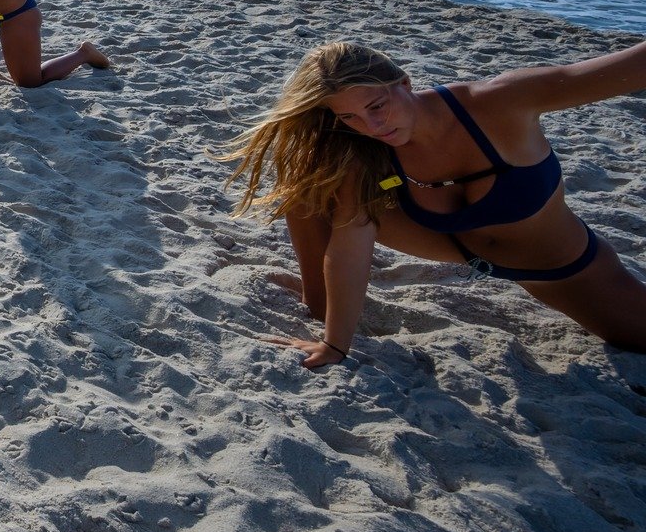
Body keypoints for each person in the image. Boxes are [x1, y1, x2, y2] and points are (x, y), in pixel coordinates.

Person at [226, 41, 646, 370]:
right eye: (349, 118)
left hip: (560, 269)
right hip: (452, 245)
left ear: (404, 83)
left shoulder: (499, 103)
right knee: (311, 187)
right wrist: (335, 344)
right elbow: (351, 244)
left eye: (376, 107)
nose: (373, 127)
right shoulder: (367, 153)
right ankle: (318, 305)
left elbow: (630, 67)